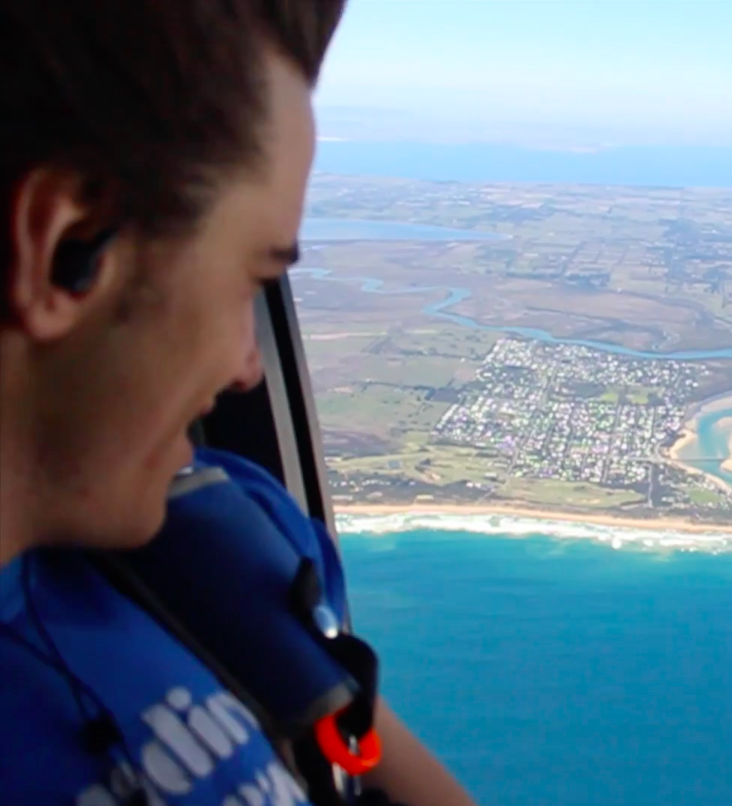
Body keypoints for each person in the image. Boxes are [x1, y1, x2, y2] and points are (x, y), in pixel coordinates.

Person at [0, 2, 478, 804]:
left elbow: (360, 747)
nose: (247, 370)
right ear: (63, 251)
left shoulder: (232, 540)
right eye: (251, 281)